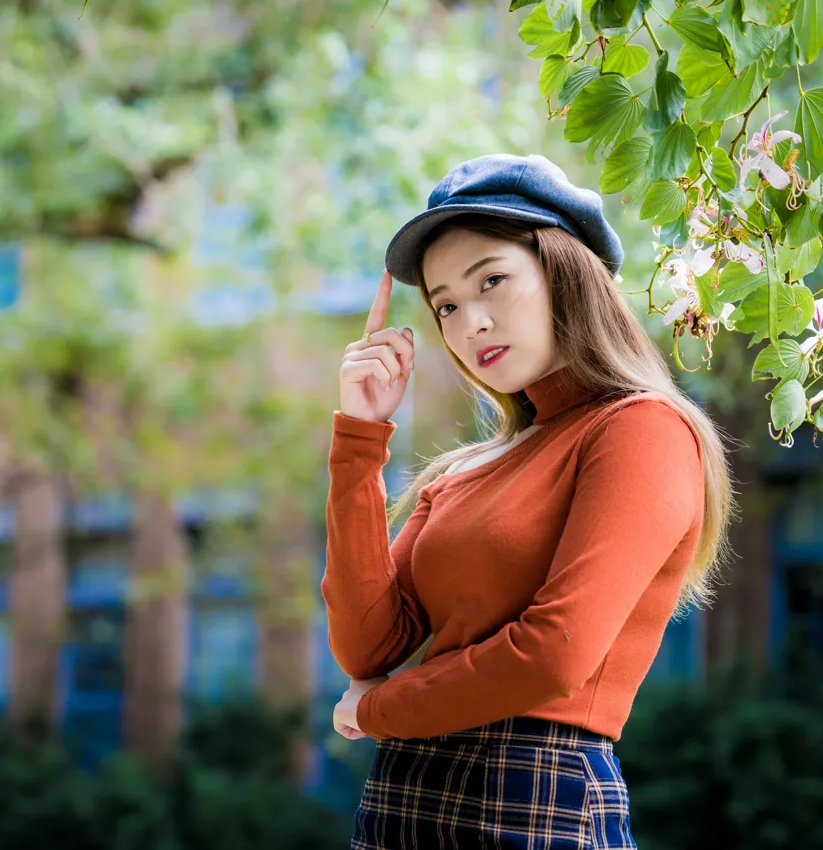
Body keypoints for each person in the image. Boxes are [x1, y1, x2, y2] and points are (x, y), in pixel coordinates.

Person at [323, 154, 737, 849]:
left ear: (564, 271)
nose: (471, 323)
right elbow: (368, 646)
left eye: (491, 280)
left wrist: (380, 709)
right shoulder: (464, 470)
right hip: (403, 795)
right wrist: (360, 440)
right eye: (447, 305)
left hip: (533, 794)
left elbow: (554, 656)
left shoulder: (641, 429)